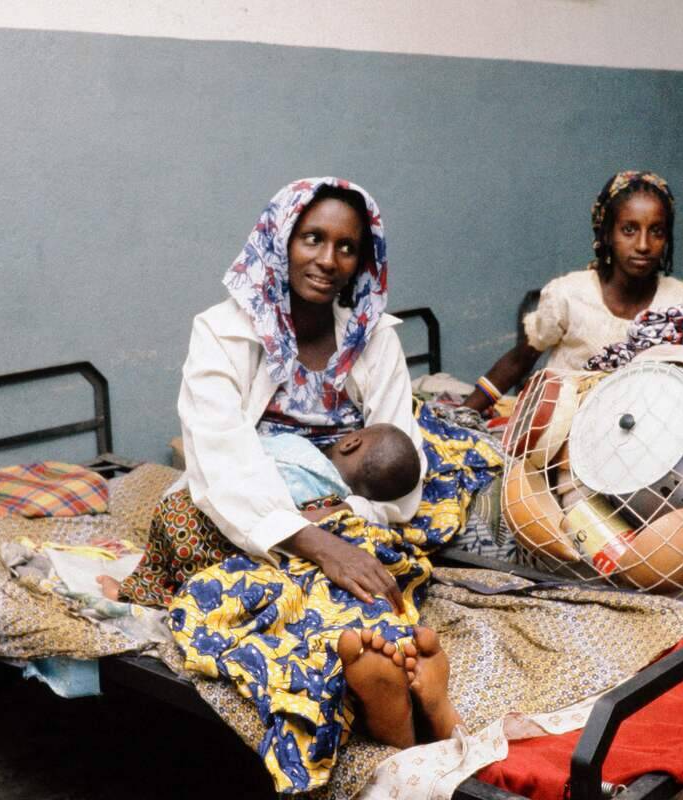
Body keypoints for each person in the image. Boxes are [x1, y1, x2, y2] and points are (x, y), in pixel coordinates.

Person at [122, 179, 462, 785]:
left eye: (347, 247)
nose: (328, 261)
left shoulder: (373, 336)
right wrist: (313, 541)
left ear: (364, 258)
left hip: (342, 504)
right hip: (246, 506)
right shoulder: (222, 331)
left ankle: (375, 663)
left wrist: (337, 524)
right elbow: (219, 457)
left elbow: (398, 455)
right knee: (189, 529)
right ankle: (385, 660)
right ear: (281, 240)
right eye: (313, 239)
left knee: (371, 557)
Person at [97, 423, 421, 601]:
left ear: (351, 442)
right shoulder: (343, 506)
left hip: (191, 533)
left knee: (178, 507)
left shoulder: (296, 448)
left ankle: (134, 590)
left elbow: (241, 457)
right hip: (248, 563)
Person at [463, 171, 683, 412]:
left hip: (644, 432)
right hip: (564, 431)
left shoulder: (680, 301)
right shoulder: (569, 295)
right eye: (629, 230)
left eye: (656, 232)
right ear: (606, 233)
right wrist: (459, 415)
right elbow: (519, 360)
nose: (643, 245)